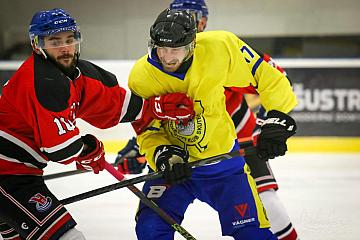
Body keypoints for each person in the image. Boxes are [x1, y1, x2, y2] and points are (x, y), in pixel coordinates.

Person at [0, 8, 194, 240]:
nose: (64, 48)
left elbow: (112, 104)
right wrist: (89, 149)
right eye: (54, 41)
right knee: (68, 237)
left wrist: (154, 107)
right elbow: (60, 149)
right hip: (9, 177)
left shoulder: (76, 74)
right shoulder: (44, 81)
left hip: (21, 172)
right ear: (37, 44)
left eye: (69, 40)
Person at [116, 1, 299, 239]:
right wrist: (161, 154)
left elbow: (267, 76)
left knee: (255, 230)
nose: (167, 58)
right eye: (161, 48)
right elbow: (147, 127)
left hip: (224, 165)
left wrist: (277, 118)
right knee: (150, 228)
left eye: (176, 49)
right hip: (175, 171)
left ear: (192, 44)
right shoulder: (141, 76)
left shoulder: (220, 47)